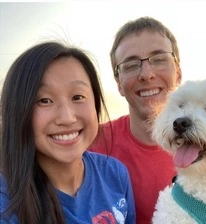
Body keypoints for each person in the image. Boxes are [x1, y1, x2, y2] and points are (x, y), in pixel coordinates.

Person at [0, 41, 136, 224]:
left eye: (78, 97)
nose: (67, 117)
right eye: (44, 100)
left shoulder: (115, 173)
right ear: (17, 111)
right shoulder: (7, 202)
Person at [90, 16, 182, 223]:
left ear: (178, 71)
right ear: (118, 83)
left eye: (159, 59)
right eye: (131, 65)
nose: (146, 74)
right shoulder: (90, 146)